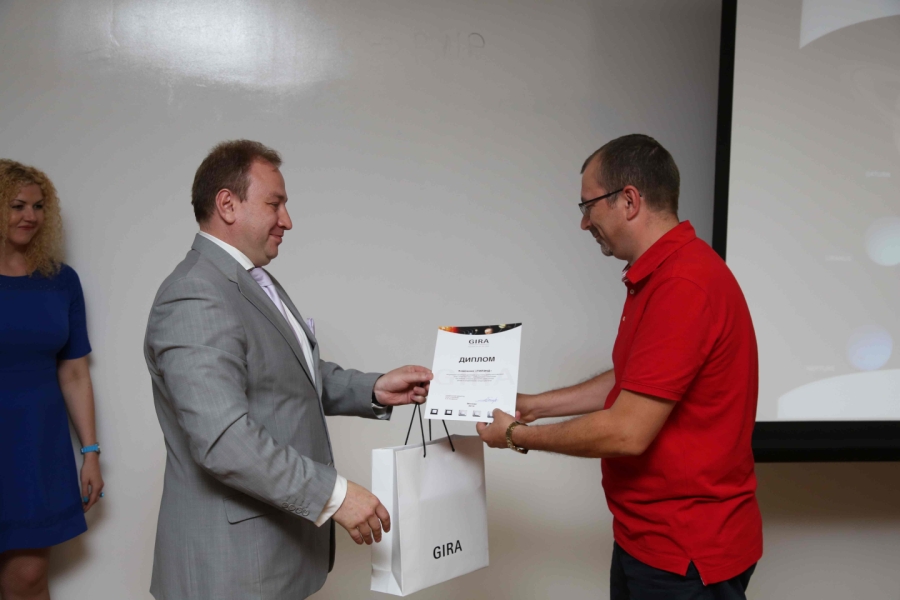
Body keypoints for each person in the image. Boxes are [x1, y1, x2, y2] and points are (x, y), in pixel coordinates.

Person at [143, 140, 433, 600]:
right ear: (227, 204)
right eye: (274, 204)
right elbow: (223, 440)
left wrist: (374, 389)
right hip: (232, 569)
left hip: (272, 556)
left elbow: (287, 375)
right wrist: (335, 495)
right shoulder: (195, 294)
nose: (287, 220)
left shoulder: (252, 280)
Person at [477, 134, 762, 599]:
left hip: (686, 554)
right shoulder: (662, 273)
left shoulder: (684, 284)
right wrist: (533, 405)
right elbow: (643, 375)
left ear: (629, 200)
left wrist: (515, 435)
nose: (584, 222)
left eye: (588, 206)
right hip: (646, 537)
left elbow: (627, 432)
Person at [0, 160, 105, 600]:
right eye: (17, 205)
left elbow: (75, 372)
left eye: (39, 206)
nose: (31, 215)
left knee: (27, 578)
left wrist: (91, 452)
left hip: (35, 447)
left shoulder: (60, 281)